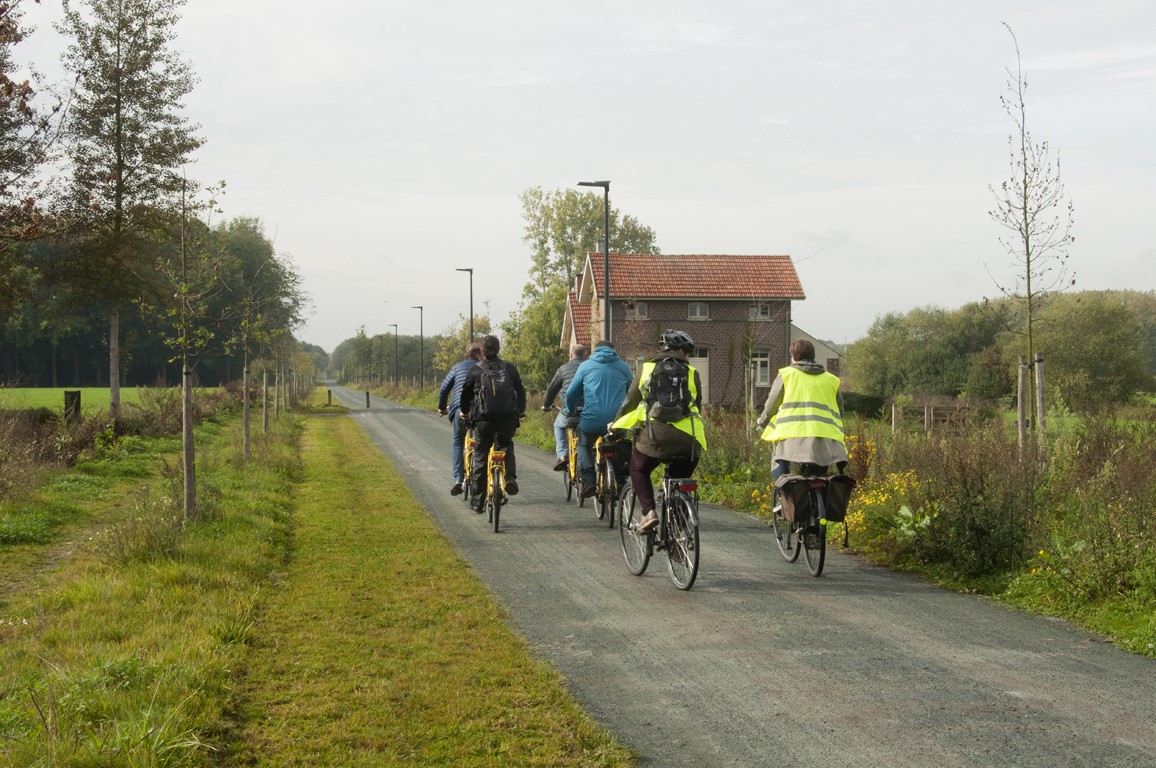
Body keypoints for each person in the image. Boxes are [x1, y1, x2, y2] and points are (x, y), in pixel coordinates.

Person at [612, 330, 707, 533]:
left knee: (638, 469)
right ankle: (681, 532)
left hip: (656, 436)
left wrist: (615, 423)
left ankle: (649, 513)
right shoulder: (692, 373)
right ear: (681, 351)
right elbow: (697, 406)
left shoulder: (646, 368)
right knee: (679, 481)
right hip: (689, 440)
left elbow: (630, 401)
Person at [755, 338, 848, 482]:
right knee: (820, 475)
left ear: (794, 357)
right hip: (825, 437)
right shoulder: (831, 379)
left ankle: (783, 496)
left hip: (791, 435)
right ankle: (821, 501)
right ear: (813, 356)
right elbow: (840, 410)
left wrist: (762, 421)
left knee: (779, 458)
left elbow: (772, 405)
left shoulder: (787, 375)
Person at [459, 335, 526, 512]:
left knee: (480, 456)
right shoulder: (509, 368)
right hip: (506, 421)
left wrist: (465, 413)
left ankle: (477, 502)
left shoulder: (475, 369)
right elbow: (520, 389)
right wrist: (520, 411)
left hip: (483, 421)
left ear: (482, 351)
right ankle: (510, 477)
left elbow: (465, 394)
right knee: (506, 445)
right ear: (499, 349)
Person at [564, 341, 632, 498]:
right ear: (613, 351)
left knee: (583, 444)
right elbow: (633, 391)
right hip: (617, 421)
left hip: (591, 420)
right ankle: (621, 482)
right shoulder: (623, 367)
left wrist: (569, 409)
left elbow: (570, 393)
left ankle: (589, 480)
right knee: (619, 445)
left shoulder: (586, 366)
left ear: (595, 351)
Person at [437, 342, 483, 495]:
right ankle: (482, 477)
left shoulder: (457, 368)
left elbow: (444, 389)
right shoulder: (485, 367)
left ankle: (458, 479)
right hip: (480, 410)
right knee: (483, 442)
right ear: (478, 354)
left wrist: (443, 408)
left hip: (459, 409)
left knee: (458, 441)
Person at [541, 344, 587, 471]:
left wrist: (546, 405)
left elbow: (551, 390)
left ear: (571, 355)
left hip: (570, 411)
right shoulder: (591, 368)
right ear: (585, 355)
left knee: (558, 425)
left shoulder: (563, 369)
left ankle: (562, 455)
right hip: (588, 411)